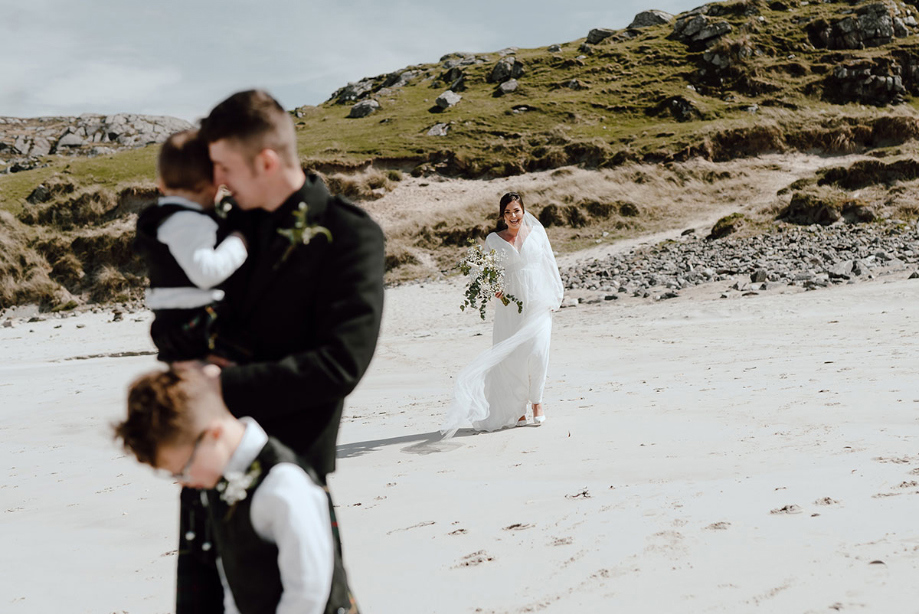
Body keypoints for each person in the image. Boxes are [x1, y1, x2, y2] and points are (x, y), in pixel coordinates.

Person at [173, 89, 385, 613]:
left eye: (223, 165)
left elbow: (340, 363)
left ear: (266, 160)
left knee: (311, 600)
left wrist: (224, 384)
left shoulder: (348, 235)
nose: (217, 180)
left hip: (291, 467)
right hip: (206, 460)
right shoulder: (226, 232)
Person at [114, 367, 358, 614]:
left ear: (213, 434)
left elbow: (308, 592)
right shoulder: (223, 485)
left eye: (183, 470)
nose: (184, 482)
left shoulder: (283, 486)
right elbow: (233, 582)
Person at [442, 192, 564, 436]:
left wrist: (556, 295)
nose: (513, 216)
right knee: (513, 358)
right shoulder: (494, 240)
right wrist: (491, 288)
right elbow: (482, 271)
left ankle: (537, 402)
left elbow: (549, 263)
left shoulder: (538, 234)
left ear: (523, 210)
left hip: (538, 301)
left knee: (538, 352)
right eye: (507, 212)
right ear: (502, 215)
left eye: (516, 210)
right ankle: (517, 409)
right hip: (510, 305)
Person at [134, 129, 248, 362]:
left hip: (171, 323)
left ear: (161, 184)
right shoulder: (189, 222)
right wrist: (239, 242)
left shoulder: (162, 218)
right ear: (212, 187)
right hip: (196, 324)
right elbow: (207, 273)